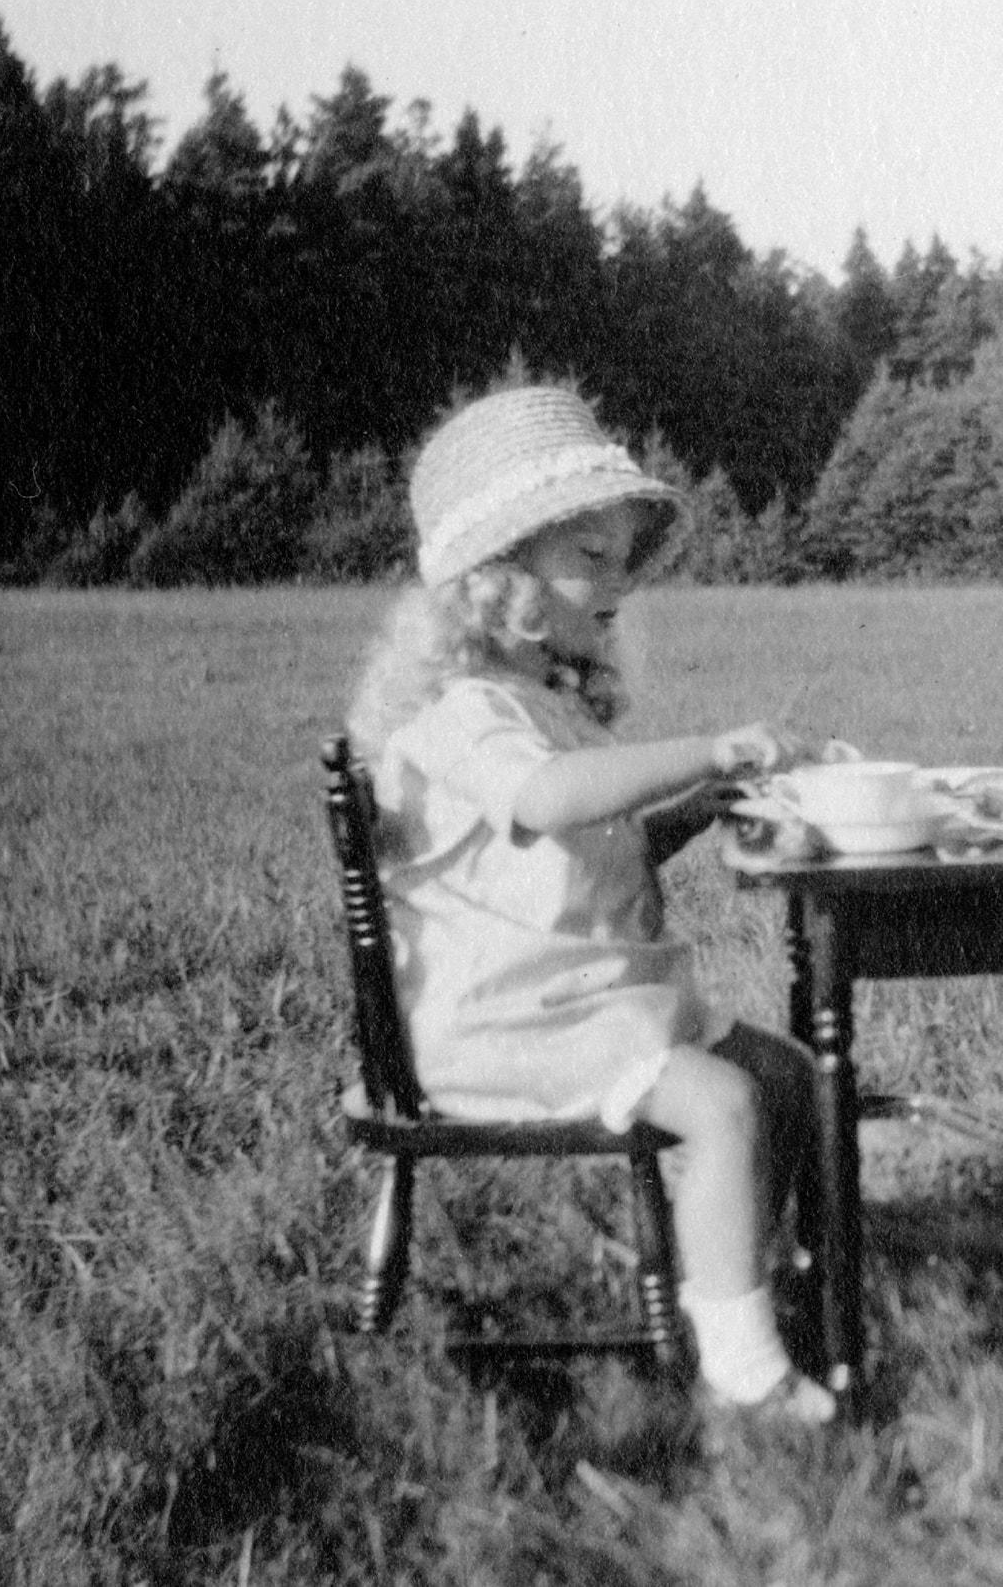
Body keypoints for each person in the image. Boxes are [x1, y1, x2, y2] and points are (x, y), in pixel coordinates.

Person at [344, 383, 834, 1423]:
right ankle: (742, 1367)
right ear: (499, 583)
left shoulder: (545, 700)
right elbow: (550, 801)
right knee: (725, 1102)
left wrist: (700, 804)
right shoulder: (468, 715)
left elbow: (602, 841)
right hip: (509, 1019)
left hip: (586, 992)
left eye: (622, 556)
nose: (619, 582)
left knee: (784, 1075)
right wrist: (702, 748)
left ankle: (744, 1268)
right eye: (590, 557)